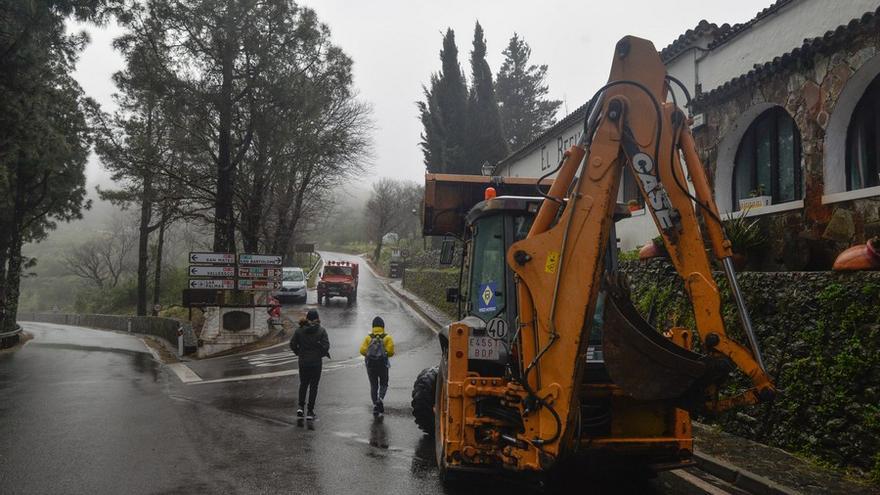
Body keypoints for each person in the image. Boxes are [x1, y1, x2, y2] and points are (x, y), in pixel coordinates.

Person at [290, 309, 330, 422]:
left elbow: (292, 344)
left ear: (307, 318)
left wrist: (299, 353)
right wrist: (319, 355)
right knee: (313, 386)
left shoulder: (299, 331)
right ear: (317, 318)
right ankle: (310, 411)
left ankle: (300, 407)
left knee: (303, 384)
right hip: (316, 363)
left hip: (303, 362)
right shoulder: (321, 331)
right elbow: (326, 346)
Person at [359, 316, 395, 418]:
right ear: (383, 326)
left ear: (373, 326)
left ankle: (375, 405)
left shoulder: (368, 338)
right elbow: (391, 352)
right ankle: (381, 399)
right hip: (383, 365)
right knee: (384, 383)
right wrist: (384, 353)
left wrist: (370, 354)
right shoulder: (387, 337)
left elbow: (362, 351)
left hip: (370, 365)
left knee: (373, 385)